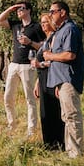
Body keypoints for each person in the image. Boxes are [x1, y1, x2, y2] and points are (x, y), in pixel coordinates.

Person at [41, 0, 84, 158]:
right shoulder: (60, 30)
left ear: (63, 12)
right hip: (62, 81)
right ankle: (70, 150)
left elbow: (69, 55)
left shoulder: (70, 29)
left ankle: (76, 153)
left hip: (69, 79)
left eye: (53, 11)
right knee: (66, 116)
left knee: (72, 116)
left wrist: (50, 55)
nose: (50, 14)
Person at [0, 1, 45, 135]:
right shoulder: (15, 25)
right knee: (7, 97)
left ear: (29, 10)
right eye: (17, 9)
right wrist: (11, 8)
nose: (19, 11)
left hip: (28, 66)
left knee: (30, 98)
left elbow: (43, 46)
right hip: (14, 64)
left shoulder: (36, 27)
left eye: (21, 9)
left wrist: (30, 42)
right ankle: (12, 125)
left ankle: (31, 129)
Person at [31, 12, 65, 151]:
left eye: (45, 22)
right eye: (41, 22)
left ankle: (58, 143)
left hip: (53, 77)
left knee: (54, 111)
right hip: (43, 79)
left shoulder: (55, 39)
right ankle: (48, 143)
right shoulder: (45, 40)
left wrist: (41, 65)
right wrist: (37, 82)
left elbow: (54, 61)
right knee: (45, 111)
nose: (43, 25)